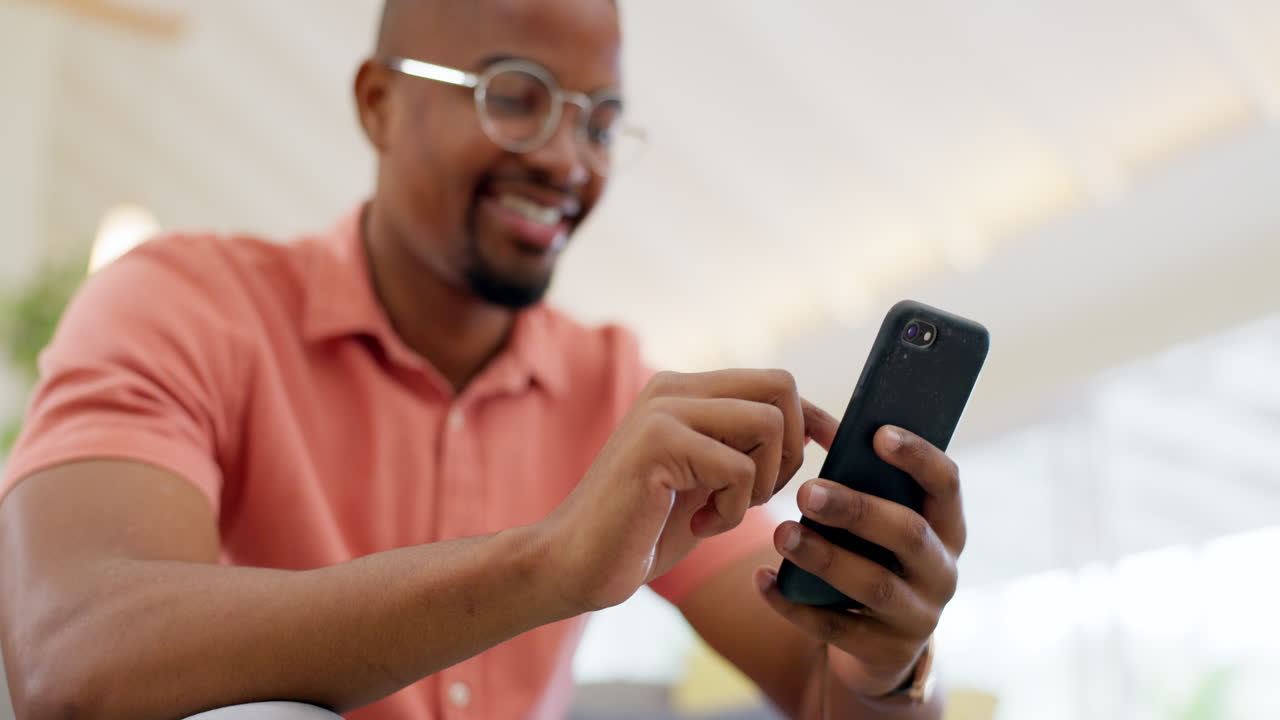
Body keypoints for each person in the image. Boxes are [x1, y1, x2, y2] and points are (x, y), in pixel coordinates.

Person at [0, 1, 967, 718]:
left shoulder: (622, 392)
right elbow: (70, 657)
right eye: (517, 98)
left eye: (597, 121)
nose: (567, 161)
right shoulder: (181, 302)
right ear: (379, 104)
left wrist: (880, 655)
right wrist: (544, 565)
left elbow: (814, 681)